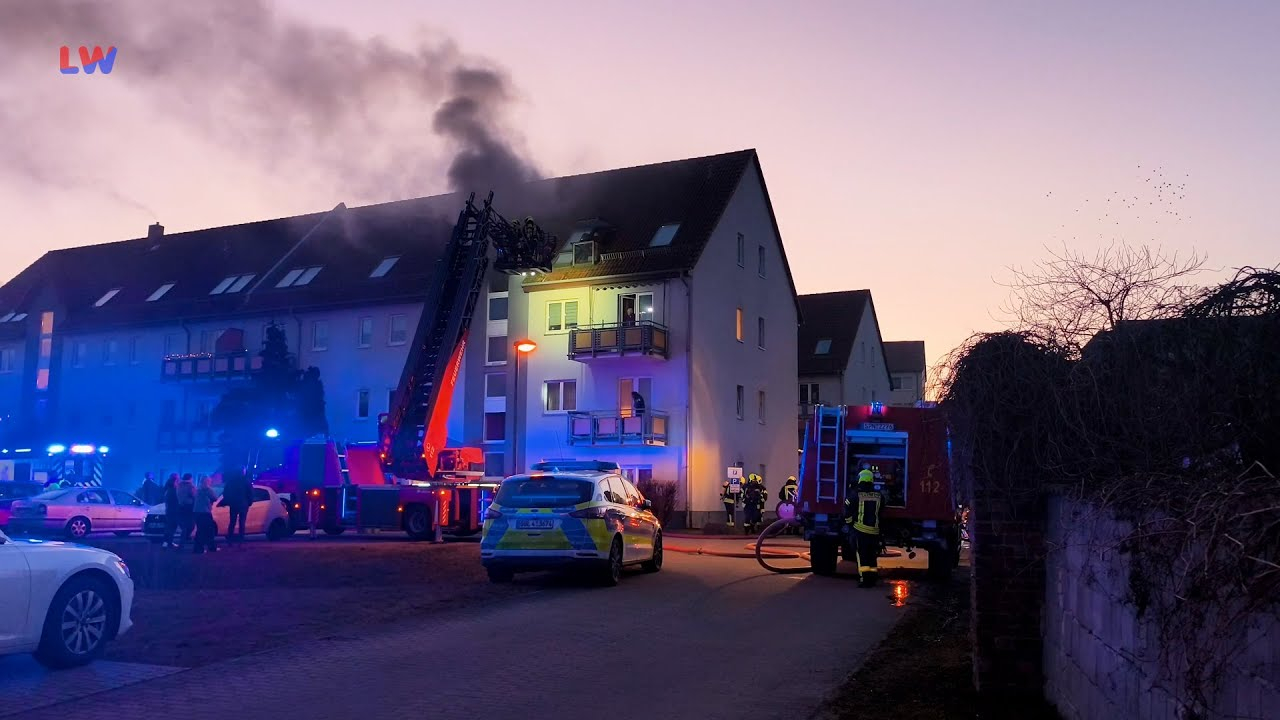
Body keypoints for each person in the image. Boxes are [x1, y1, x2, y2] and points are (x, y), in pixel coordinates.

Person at [844, 469, 884, 588]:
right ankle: (872, 578)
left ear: (860, 479)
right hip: (874, 531)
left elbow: (847, 511)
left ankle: (864, 579)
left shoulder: (855, 494)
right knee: (872, 556)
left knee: (862, 556)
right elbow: (881, 511)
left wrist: (849, 524)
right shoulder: (879, 496)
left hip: (860, 530)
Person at [221, 467, 251, 545]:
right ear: (243, 472)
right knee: (242, 523)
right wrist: (249, 502)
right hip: (243, 504)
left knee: (232, 522)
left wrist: (228, 501)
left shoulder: (231, 481)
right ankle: (241, 541)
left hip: (233, 504)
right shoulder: (246, 481)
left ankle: (230, 540)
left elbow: (225, 492)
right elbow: (250, 493)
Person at [191, 475, 219, 554]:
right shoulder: (207, 489)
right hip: (205, 512)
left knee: (201, 530)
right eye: (209, 481)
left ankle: (201, 548)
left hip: (197, 511)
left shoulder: (197, 489)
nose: (210, 482)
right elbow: (215, 497)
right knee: (207, 530)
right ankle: (202, 548)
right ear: (206, 481)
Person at [175, 473, 196, 550]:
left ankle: (184, 540)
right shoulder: (190, 486)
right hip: (189, 507)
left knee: (184, 525)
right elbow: (194, 495)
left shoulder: (179, 486)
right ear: (190, 478)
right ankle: (184, 540)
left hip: (181, 507)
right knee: (191, 525)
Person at [161, 473, 180, 548]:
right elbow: (176, 501)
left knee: (169, 526)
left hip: (169, 510)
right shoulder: (173, 491)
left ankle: (167, 542)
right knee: (172, 526)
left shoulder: (167, 490)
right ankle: (168, 541)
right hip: (173, 511)